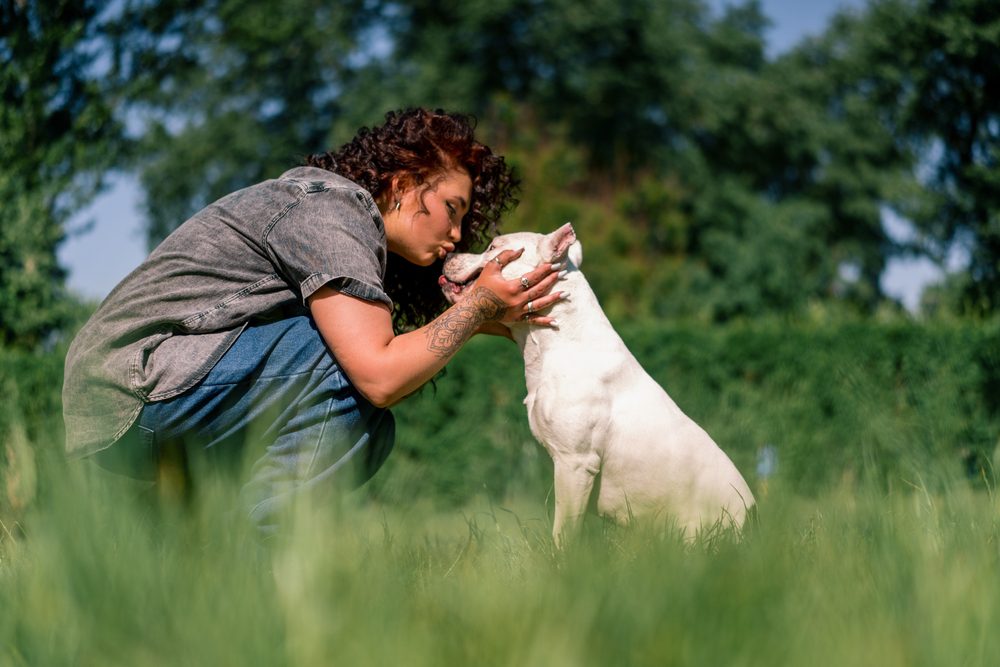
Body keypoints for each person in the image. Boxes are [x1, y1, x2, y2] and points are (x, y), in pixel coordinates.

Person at [62, 108, 565, 534]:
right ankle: (257, 559)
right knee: (348, 369)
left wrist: (479, 319)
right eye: (451, 210)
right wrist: (476, 306)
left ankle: (181, 542)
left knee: (367, 431)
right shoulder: (331, 209)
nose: (456, 235)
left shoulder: (331, 216)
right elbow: (379, 374)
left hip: (136, 397)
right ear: (404, 185)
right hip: (135, 388)